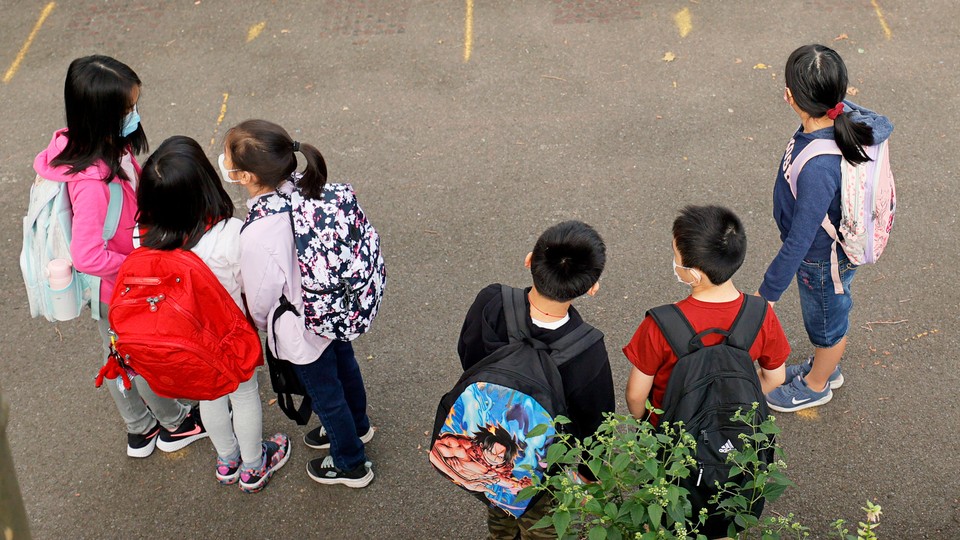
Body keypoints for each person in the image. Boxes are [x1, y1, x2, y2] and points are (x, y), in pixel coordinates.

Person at [32, 55, 206, 458]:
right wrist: (141, 268)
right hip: (121, 285)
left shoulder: (95, 147)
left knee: (119, 354)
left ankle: (139, 429)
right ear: (101, 115)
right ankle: (175, 423)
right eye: (127, 109)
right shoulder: (92, 184)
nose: (135, 114)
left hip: (115, 285)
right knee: (141, 356)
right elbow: (89, 255)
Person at [222, 119, 374, 488]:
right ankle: (359, 426)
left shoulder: (258, 232)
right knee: (346, 366)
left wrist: (261, 323)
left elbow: (260, 297)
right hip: (337, 307)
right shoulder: (311, 190)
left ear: (245, 176)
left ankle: (350, 463)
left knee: (325, 395)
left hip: (301, 327)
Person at [135, 136, 289, 493]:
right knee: (244, 394)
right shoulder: (229, 234)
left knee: (209, 396)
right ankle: (254, 465)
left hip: (187, 339)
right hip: (229, 335)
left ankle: (227, 460)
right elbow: (250, 285)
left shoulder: (147, 236)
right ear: (206, 184)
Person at [457, 220, 615, 539]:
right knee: (543, 523)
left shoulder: (492, 301)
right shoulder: (587, 348)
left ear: (529, 259)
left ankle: (501, 533)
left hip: (488, 440)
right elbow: (595, 421)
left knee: (499, 504)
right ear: (591, 287)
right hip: (546, 465)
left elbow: (467, 352)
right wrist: (588, 472)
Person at [759, 44, 893, 412]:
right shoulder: (833, 121)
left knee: (827, 325)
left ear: (790, 96)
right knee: (825, 317)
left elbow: (801, 238)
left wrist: (769, 291)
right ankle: (823, 367)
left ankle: (819, 383)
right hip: (822, 254)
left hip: (822, 260)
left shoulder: (819, 168)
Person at [624, 205, 789, 425]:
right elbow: (776, 376)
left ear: (694, 274)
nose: (674, 263)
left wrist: (644, 422)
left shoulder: (660, 324)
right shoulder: (760, 314)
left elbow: (636, 395)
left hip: (673, 430)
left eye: (676, 256)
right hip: (734, 428)